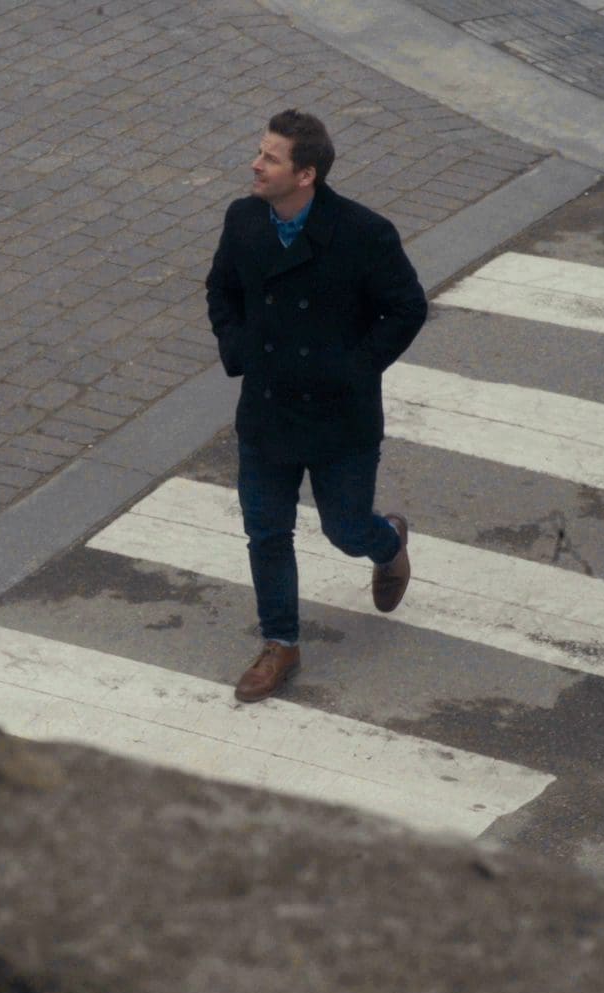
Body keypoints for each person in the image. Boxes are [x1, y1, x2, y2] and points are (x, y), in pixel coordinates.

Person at [204, 109, 429, 703]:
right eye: (260, 151)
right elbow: (221, 289)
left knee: (345, 529)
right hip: (268, 410)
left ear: (305, 175)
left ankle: (388, 543)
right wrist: (240, 345)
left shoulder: (363, 233)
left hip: (339, 416)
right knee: (266, 532)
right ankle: (280, 643)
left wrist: (354, 369)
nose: (256, 164)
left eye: (270, 157)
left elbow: (407, 308)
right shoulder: (244, 219)